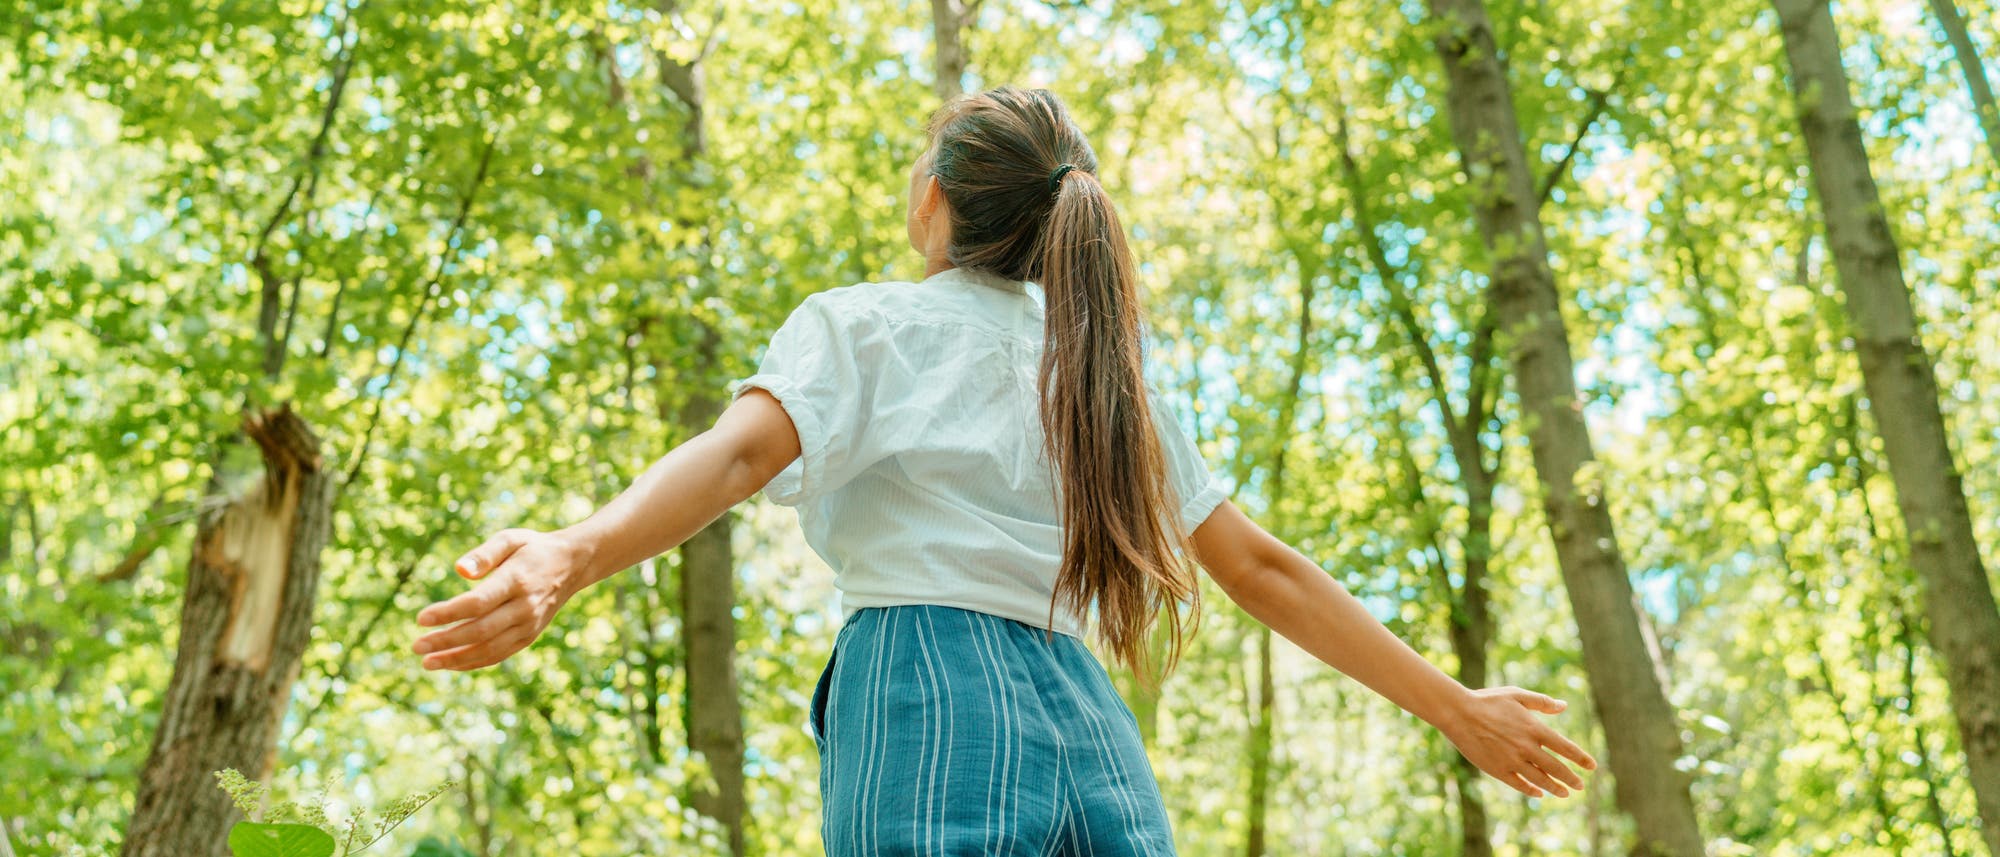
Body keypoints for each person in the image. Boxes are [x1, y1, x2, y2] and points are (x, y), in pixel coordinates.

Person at [410, 86, 1596, 856]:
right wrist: (1455, 705)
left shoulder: (868, 324)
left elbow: (732, 457)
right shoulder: (1107, 379)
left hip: (923, 679)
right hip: (1085, 712)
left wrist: (572, 548)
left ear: (934, 201)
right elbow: (1262, 567)